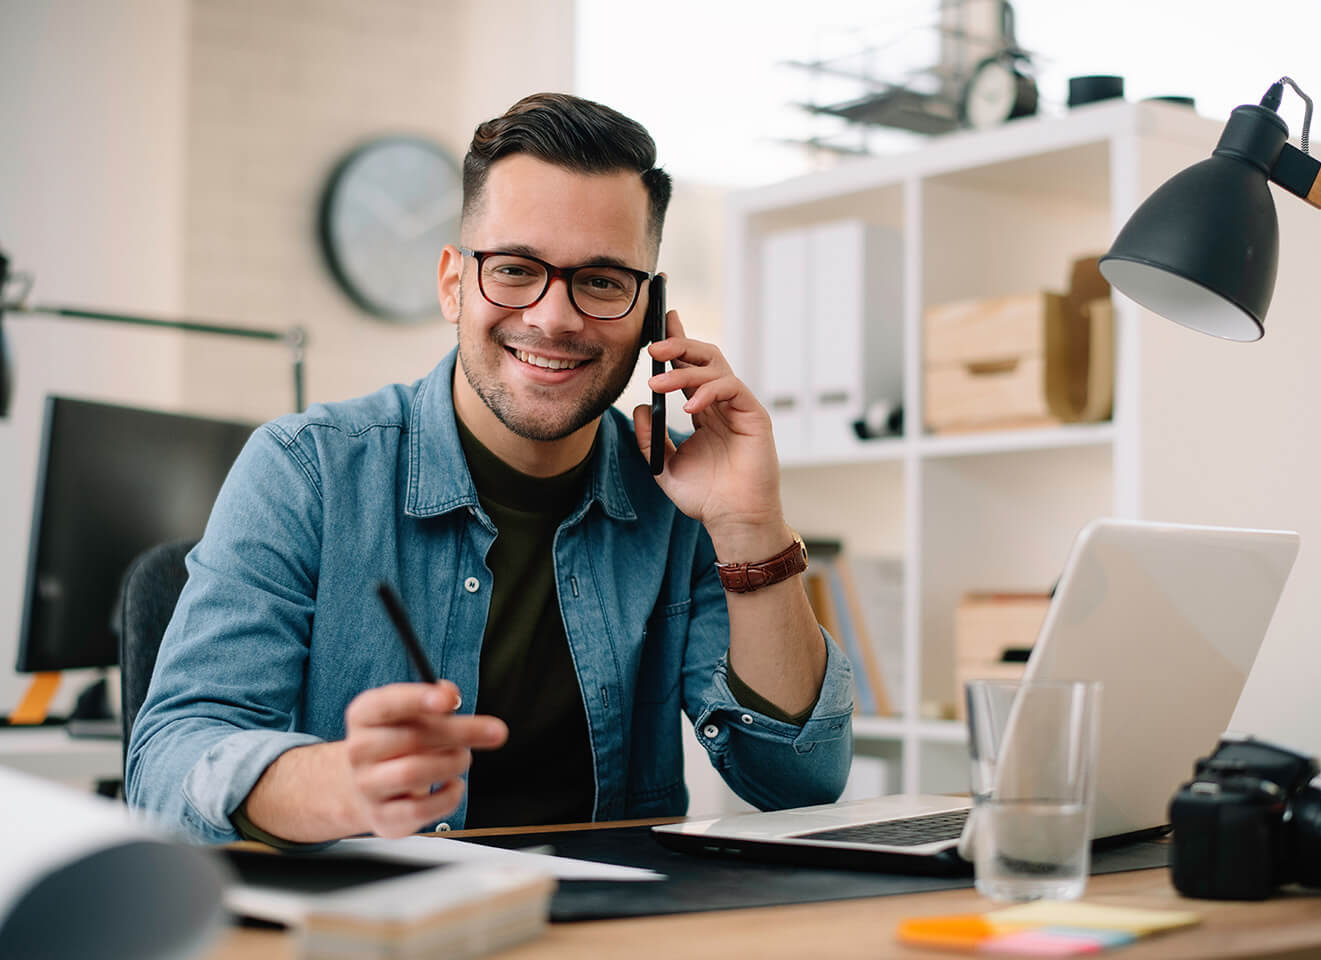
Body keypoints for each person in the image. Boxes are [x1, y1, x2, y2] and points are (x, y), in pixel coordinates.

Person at [126, 93, 854, 845]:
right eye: (514, 269)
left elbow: (798, 780)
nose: (554, 317)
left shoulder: (680, 496)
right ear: (452, 284)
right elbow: (164, 767)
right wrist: (337, 785)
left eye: (602, 281)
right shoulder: (306, 472)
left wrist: (750, 528)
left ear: (650, 312)